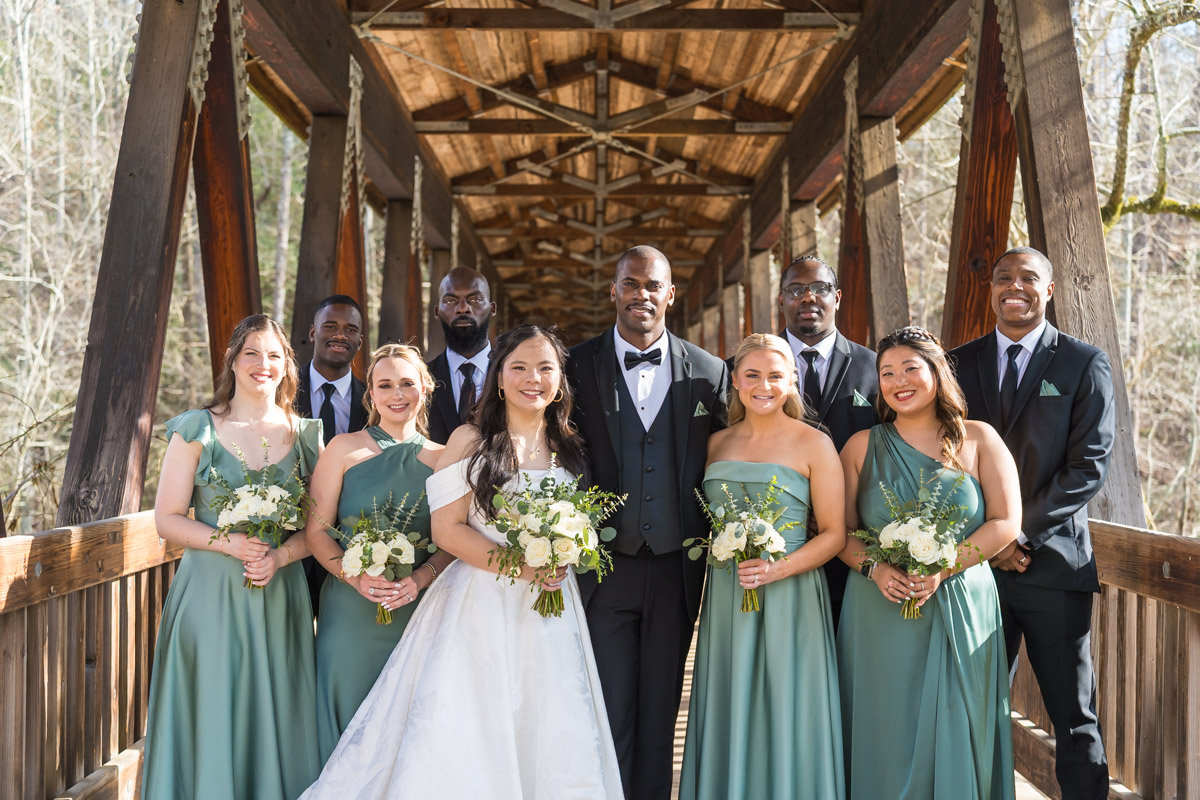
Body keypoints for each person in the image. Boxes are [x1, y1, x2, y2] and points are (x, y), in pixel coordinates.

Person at [302, 325, 622, 799]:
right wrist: (523, 565)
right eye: (518, 367)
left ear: (560, 381)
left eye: (545, 368)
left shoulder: (569, 446)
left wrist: (566, 555)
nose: (532, 378)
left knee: (548, 721)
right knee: (472, 722)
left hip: (550, 609)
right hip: (480, 603)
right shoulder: (470, 438)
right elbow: (446, 530)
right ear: (498, 378)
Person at [950, 247, 1114, 800]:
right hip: (974, 570)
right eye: (1002, 278)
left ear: (1048, 290)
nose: (1013, 286)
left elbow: (1088, 465)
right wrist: (986, 540)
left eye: (1028, 278)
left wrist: (1017, 533)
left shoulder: (1082, 362)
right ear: (989, 288)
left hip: (1053, 566)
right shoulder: (956, 364)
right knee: (968, 706)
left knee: (1073, 718)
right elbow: (941, 457)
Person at [567, 245, 729, 800]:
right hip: (601, 566)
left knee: (662, 705)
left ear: (670, 294)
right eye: (630, 284)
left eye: (652, 285)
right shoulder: (574, 366)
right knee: (607, 701)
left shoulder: (710, 372)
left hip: (676, 567)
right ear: (613, 291)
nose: (642, 294)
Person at [142, 314, 323, 800]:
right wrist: (229, 543)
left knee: (277, 713)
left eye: (273, 355)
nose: (262, 365)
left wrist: (280, 558)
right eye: (251, 354)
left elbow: (317, 531)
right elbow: (168, 519)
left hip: (278, 597)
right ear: (233, 361)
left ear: (288, 364)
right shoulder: (196, 428)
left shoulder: (306, 436)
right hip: (210, 598)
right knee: (214, 711)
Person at [837, 326, 1021, 800]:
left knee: (958, 719)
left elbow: (1005, 521)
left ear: (936, 372)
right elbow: (841, 534)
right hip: (878, 609)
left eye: (910, 368)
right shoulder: (860, 447)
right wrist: (876, 569)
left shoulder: (978, 439)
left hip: (958, 600)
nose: (899, 380)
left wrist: (944, 568)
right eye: (887, 372)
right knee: (885, 725)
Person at [679, 333, 846, 800]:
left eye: (776, 375)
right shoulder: (714, 444)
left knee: (789, 702)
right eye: (752, 374)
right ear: (734, 380)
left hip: (791, 592)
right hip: (731, 595)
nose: (764, 385)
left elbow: (835, 533)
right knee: (731, 700)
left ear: (792, 380)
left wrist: (779, 569)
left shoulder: (815, 443)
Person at [304, 343, 454, 764]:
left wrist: (419, 579)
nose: (397, 394)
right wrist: (354, 577)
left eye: (407, 383)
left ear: (425, 388)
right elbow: (316, 533)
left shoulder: (445, 460)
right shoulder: (342, 449)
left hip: (415, 613)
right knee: (344, 728)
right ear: (370, 394)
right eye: (385, 385)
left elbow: (451, 545)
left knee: (406, 735)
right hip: (348, 612)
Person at [778, 255, 878, 628]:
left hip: (858, 541)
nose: (808, 298)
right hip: (778, 542)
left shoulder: (876, 368)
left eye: (819, 288)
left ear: (837, 297)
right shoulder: (745, 370)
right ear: (781, 299)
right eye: (796, 290)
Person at [296, 295, 368, 616]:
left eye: (350, 329)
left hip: (353, 551)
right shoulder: (279, 393)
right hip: (285, 550)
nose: (340, 335)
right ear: (313, 332)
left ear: (360, 341)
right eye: (330, 326)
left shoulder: (374, 404)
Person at [425, 266, 496, 444]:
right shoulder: (421, 379)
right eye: (450, 301)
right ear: (436, 311)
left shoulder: (514, 373)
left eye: (476, 299)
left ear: (492, 308)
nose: (463, 309)